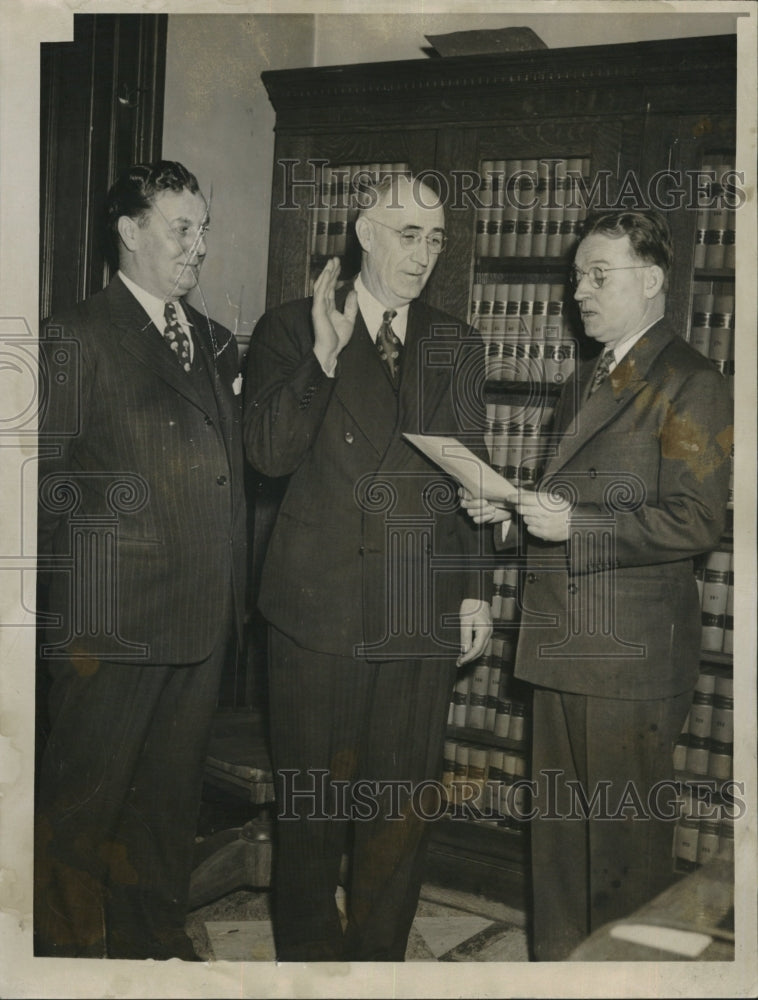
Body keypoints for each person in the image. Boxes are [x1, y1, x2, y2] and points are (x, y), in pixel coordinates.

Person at [461, 208, 732, 960]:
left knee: (620, 865)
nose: (578, 290)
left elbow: (694, 520)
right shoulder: (587, 378)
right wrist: (513, 513)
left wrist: (572, 526)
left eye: (597, 275)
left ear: (650, 282)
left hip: (628, 667)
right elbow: (574, 495)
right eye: (577, 274)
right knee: (556, 852)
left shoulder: (692, 382)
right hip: (561, 647)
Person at [244, 172, 491, 961]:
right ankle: (312, 972)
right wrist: (323, 358)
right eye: (408, 234)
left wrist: (476, 591)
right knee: (313, 815)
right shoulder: (290, 327)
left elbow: (470, 476)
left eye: (436, 238)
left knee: (399, 812)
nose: (425, 254)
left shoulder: (455, 342)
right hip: (321, 612)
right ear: (365, 233)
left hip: (417, 609)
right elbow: (268, 456)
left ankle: (380, 969)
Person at [35, 161, 247, 960]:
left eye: (203, 229)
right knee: (81, 810)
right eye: (181, 229)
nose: (199, 247)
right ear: (130, 232)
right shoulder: (77, 333)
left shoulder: (211, 338)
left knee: (166, 803)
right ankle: (62, 960)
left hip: (197, 620)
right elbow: (41, 485)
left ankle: (151, 945)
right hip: (109, 629)